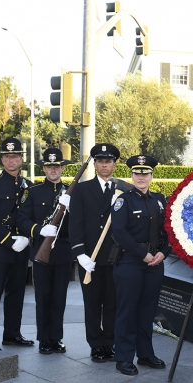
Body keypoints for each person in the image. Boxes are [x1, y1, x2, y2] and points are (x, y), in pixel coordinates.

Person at [111, 155, 172, 375]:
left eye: (145, 173)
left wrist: (164, 253)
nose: (141, 177)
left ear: (151, 176)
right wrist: (143, 254)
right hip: (130, 261)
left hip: (155, 262)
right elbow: (119, 232)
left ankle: (145, 354)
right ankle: (124, 357)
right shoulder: (123, 201)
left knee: (148, 310)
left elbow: (170, 230)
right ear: (131, 175)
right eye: (137, 173)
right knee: (127, 311)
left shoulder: (160, 200)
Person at [69, 143, 122, 363]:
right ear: (95, 165)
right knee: (92, 304)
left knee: (112, 303)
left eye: (108, 161)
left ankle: (109, 343)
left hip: (114, 257)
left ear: (114, 164)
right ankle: (96, 345)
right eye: (100, 161)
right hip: (89, 257)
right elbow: (75, 224)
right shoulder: (82, 189)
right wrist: (80, 253)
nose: (104, 165)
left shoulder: (122, 191)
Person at [18, 148, 73, 354]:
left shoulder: (71, 192)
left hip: (63, 250)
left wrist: (72, 208)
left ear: (62, 168)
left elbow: (80, 223)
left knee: (60, 296)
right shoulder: (33, 192)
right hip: (41, 250)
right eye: (49, 166)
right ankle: (44, 339)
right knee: (43, 296)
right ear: (44, 168)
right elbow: (22, 220)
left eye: (56, 166)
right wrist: (39, 229)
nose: (53, 170)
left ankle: (56, 338)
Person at [0, 137, 33, 350]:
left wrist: (27, 238)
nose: (11, 160)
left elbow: (32, 216)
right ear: (2, 160)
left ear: (21, 159)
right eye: (7, 156)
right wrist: (8, 240)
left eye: (15, 156)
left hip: (21, 248)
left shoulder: (28, 186)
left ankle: (12, 334)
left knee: (16, 293)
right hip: (1, 248)